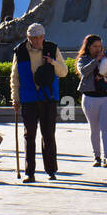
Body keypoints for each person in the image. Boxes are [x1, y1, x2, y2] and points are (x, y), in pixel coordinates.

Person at [10, 23, 66, 183]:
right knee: (29, 135)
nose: (38, 41)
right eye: (34, 38)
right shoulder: (19, 51)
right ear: (28, 38)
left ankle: (51, 170)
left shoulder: (52, 48)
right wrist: (15, 98)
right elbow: (14, 77)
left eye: (40, 37)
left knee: (48, 134)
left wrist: (52, 62)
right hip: (28, 98)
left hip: (48, 98)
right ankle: (30, 172)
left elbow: (63, 72)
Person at [76, 36, 107, 168]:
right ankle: (96, 156)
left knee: (106, 128)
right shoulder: (83, 59)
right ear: (88, 47)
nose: (98, 49)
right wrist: (96, 61)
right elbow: (84, 71)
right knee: (94, 128)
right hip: (90, 97)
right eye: (95, 46)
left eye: (100, 46)